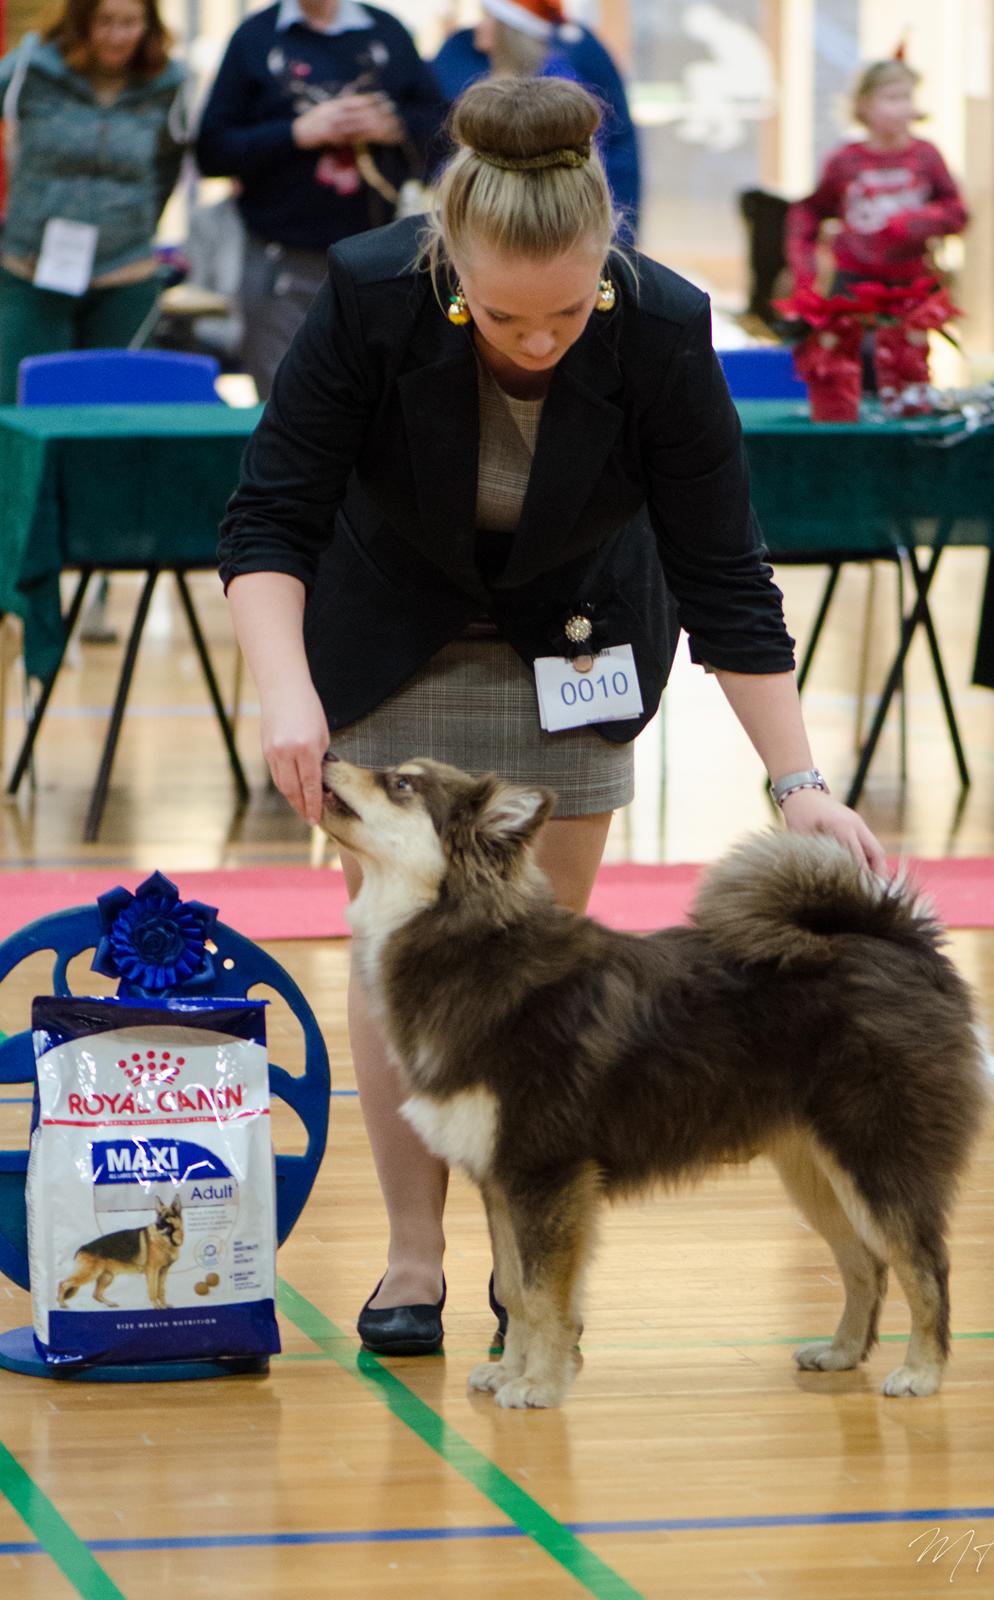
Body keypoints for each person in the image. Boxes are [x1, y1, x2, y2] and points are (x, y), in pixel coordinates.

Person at [218, 75, 886, 1356]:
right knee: (399, 954)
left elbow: (723, 569)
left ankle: (525, 1257)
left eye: (568, 312)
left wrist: (796, 779)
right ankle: (415, 1258)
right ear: (448, 261)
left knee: (532, 975)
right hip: (387, 637)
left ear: (609, 266)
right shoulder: (368, 293)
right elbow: (271, 513)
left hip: (574, 645)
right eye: (501, 315)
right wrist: (287, 695)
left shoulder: (660, 326)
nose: (538, 341)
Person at [195, 0, 447, 399]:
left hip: (377, 261)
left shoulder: (389, 32)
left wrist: (394, 125)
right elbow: (211, 152)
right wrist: (297, 133)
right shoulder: (254, 37)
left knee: (371, 400)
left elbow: (443, 132)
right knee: (284, 400)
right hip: (278, 258)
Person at [0, 0, 187, 405]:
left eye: (129, 23)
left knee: (117, 407)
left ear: (148, 25)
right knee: (21, 403)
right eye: (105, 22)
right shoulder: (32, 68)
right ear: (81, 22)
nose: (117, 35)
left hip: (125, 270)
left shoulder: (169, 82)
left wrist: (140, 222)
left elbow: (170, 163)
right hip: (33, 267)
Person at [432, 0, 639, 237]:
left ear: (510, 30)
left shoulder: (557, 85)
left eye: (488, 18)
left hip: (550, 218)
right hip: (489, 218)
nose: (479, 27)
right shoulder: (470, 63)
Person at [785, 54, 967, 296]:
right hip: (854, 281)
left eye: (907, 97)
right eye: (892, 98)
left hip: (910, 282)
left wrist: (914, 222)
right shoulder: (844, 160)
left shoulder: (926, 155)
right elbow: (808, 213)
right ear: (864, 105)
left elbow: (957, 212)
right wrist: (806, 272)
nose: (903, 107)